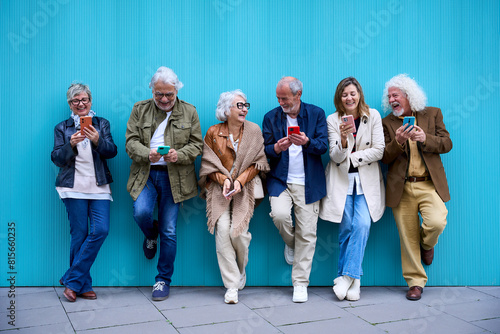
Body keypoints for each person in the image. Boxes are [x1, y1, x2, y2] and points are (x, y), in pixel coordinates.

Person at [125, 66, 203, 301]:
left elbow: (197, 144)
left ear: (177, 90)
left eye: (169, 94)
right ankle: (150, 233)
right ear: (152, 90)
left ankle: (162, 280)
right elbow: (130, 142)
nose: (164, 99)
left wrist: (178, 155)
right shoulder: (140, 109)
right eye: (159, 93)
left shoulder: (189, 111)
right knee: (141, 212)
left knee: (169, 231)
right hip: (146, 172)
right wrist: (147, 154)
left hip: (175, 177)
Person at [381, 74, 452, 301]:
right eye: (389, 96)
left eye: (396, 95)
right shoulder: (387, 123)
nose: (391, 99)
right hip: (401, 187)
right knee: (407, 235)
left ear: (408, 96)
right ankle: (415, 283)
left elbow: (447, 143)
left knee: (437, 221)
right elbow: (384, 157)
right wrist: (398, 141)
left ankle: (427, 243)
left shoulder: (432, 114)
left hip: (428, 184)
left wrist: (425, 138)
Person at [199, 90, 270, 304]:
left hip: (245, 188)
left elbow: (259, 162)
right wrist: (224, 180)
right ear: (226, 109)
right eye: (239, 105)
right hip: (219, 190)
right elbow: (207, 165)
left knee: (238, 233)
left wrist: (239, 181)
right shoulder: (213, 132)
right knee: (222, 233)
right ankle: (231, 285)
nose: (244, 109)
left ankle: (239, 270)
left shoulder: (254, 130)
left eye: (246, 105)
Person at [262, 77, 328, 303]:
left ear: (298, 95)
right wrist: (277, 148)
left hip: (308, 182)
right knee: (279, 215)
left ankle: (300, 283)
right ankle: (291, 243)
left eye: (285, 98)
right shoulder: (271, 117)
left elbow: (324, 146)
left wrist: (307, 142)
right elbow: (264, 150)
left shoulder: (317, 114)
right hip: (280, 179)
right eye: (278, 98)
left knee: (308, 233)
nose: (281, 102)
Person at [319, 77, 385, 301]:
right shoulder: (332, 119)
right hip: (341, 181)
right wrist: (345, 140)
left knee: (363, 223)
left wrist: (353, 157)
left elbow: (379, 151)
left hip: (366, 181)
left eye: (352, 93)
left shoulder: (372, 115)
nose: (349, 98)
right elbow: (335, 157)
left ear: (359, 95)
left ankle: (346, 276)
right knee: (347, 227)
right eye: (344, 94)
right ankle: (354, 282)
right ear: (339, 97)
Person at [51, 83, 117, 302]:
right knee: (79, 234)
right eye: (76, 101)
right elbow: (57, 159)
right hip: (73, 187)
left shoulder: (102, 124)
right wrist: (70, 143)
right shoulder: (63, 128)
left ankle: (71, 279)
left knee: (101, 230)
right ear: (70, 104)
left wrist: (97, 139)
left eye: (84, 100)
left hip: (98, 186)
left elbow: (112, 151)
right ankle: (82, 284)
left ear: (91, 101)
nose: (81, 104)